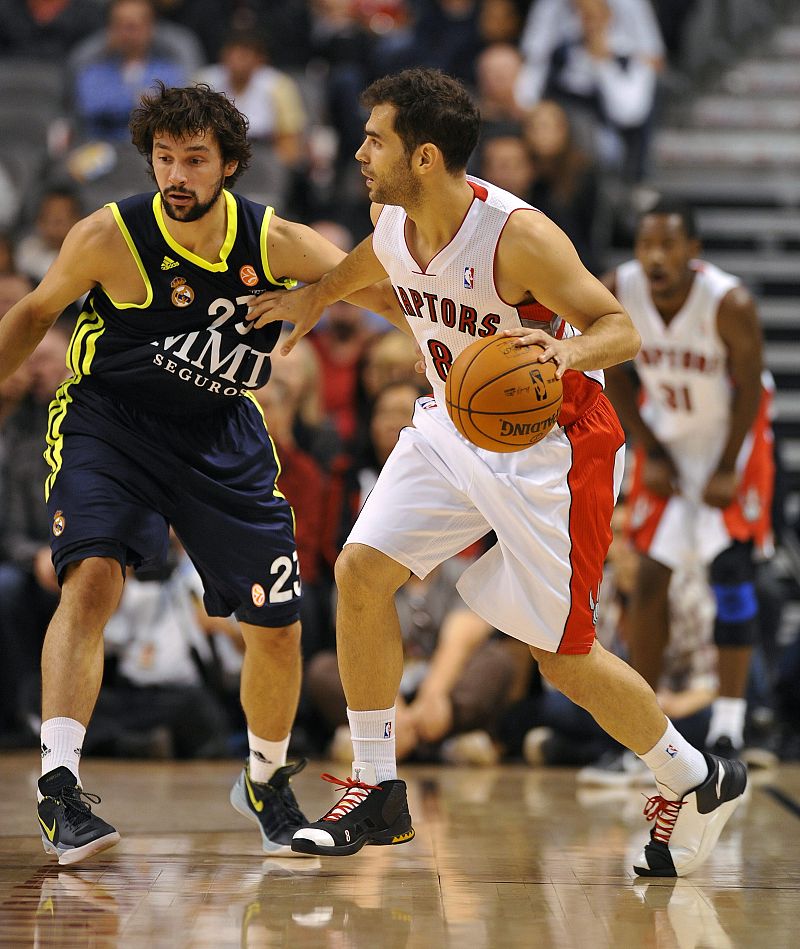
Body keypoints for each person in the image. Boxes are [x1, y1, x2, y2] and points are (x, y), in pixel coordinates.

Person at [244, 67, 747, 876]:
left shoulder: (520, 237)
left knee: (565, 658)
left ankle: (691, 772)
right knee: (362, 569)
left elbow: (621, 330)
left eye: (377, 139)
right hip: (451, 422)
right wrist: (318, 296)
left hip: (554, 448)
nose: (362, 151)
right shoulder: (391, 214)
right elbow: (374, 261)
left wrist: (565, 349)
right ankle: (376, 783)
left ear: (426, 157)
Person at [0, 81, 400, 866]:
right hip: (109, 424)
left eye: (195, 159)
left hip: (220, 433)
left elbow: (388, 290)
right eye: (164, 158)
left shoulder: (273, 240)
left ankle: (262, 777)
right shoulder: (108, 235)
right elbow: (34, 313)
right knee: (92, 580)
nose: (176, 174)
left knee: (277, 627)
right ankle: (58, 785)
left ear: (229, 165)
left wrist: (448, 345)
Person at [600, 200, 775, 767]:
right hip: (670, 443)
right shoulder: (618, 289)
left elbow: (750, 389)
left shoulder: (729, 302)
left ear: (693, 252)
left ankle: (729, 726)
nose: (655, 256)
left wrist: (727, 466)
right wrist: (647, 445)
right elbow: (616, 373)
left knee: (730, 572)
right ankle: (647, 735)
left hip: (734, 441)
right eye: (646, 244)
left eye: (668, 245)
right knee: (649, 580)